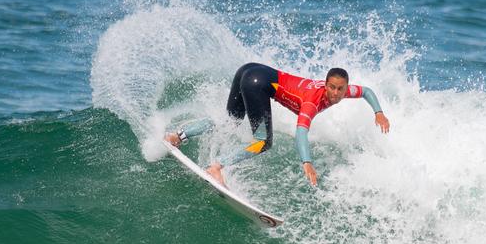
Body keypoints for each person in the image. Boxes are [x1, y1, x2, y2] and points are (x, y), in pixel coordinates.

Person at [164, 62, 390, 187]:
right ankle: (217, 167)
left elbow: (366, 91)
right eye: (331, 87)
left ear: (346, 87)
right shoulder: (312, 101)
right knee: (263, 142)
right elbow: (301, 132)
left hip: (250, 69)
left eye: (340, 89)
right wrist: (307, 162)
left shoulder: (344, 91)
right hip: (257, 83)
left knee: (230, 120)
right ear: (326, 84)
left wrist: (378, 112)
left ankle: (177, 136)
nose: (335, 93)